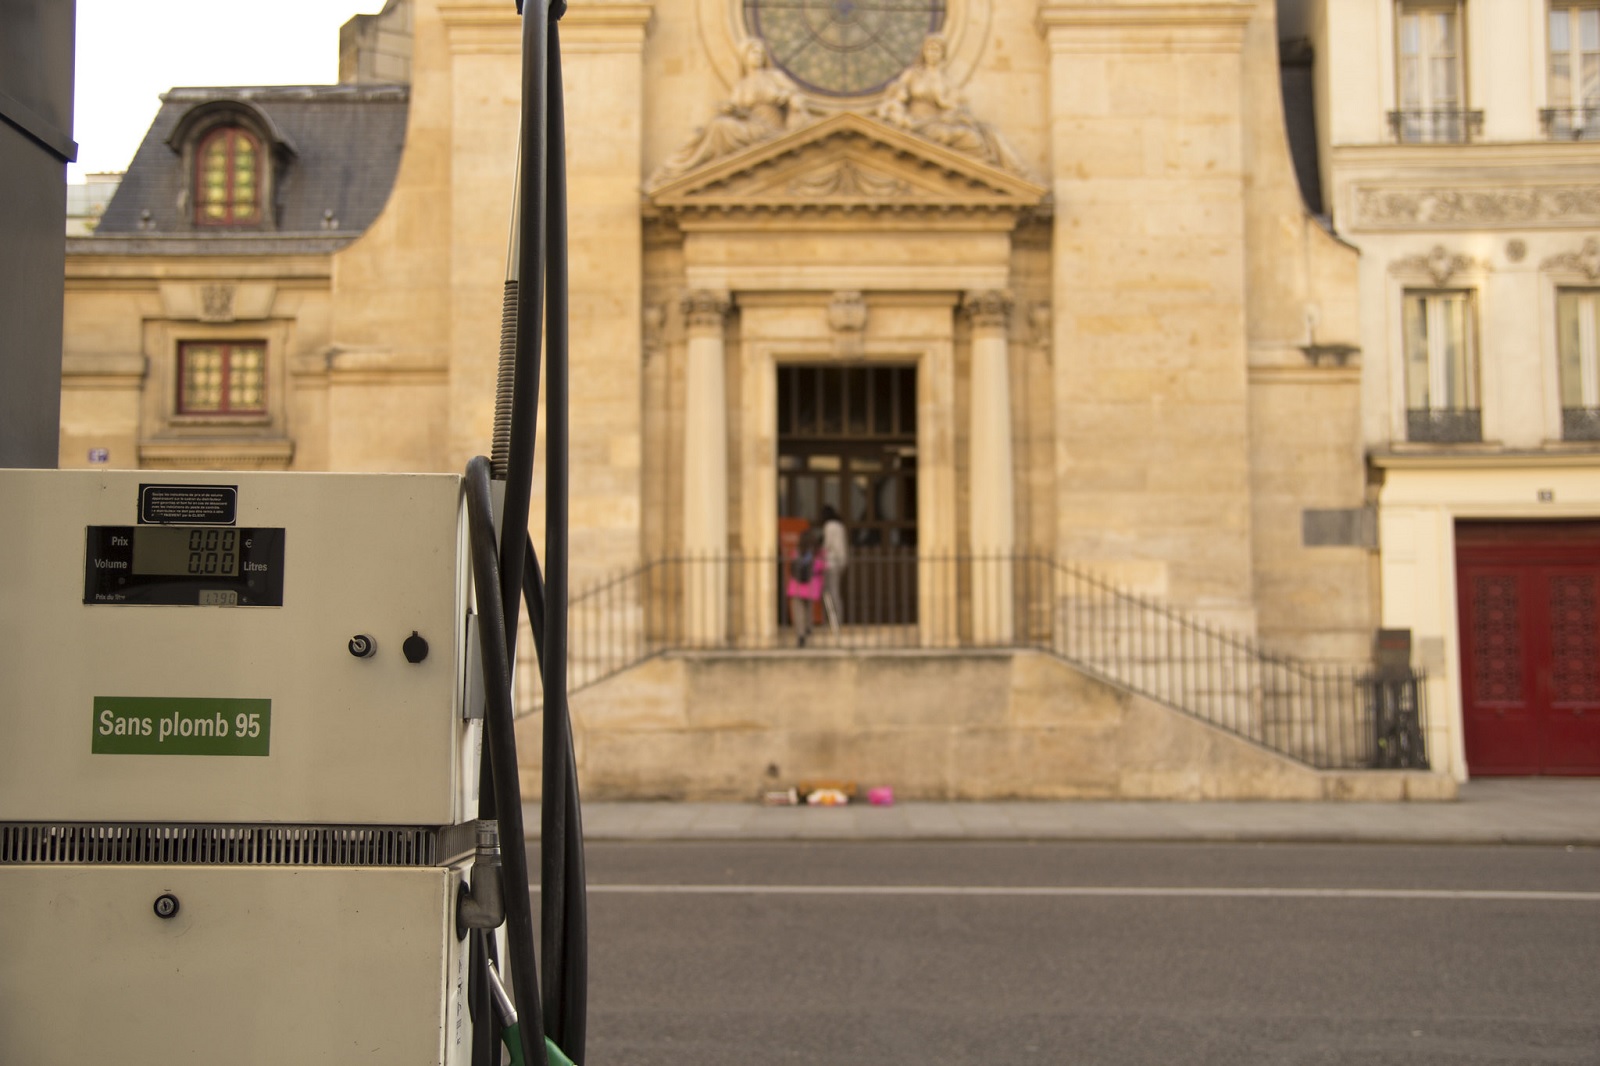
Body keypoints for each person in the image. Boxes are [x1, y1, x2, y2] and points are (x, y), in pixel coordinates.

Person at [651, 39, 812, 184]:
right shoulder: (742, 85)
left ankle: (681, 166)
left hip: (769, 127)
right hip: (751, 126)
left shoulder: (774, 77)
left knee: (720, 127)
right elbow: (736, 108)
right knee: (718, 125)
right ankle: (679, 166)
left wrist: (789, 99)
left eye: (760, 52)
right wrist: (731, 110)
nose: (757, 56)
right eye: (752, 52)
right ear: (744, 57)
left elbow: (794, 95)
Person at [873, 34, 1022, 172]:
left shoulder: (946, 82)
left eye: (937, 50)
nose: (932, 53)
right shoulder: (912, 75)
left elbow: (956, 108)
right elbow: (895, 99)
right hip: (916, 123)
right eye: (929, 49)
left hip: (937, 123)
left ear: (942, 54)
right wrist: (900, 117)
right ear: (924, 52)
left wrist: (952, 116)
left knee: (973, 138)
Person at [786, 527, 826, 647]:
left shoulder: (797, 551)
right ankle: (808, 628)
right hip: (811, 586)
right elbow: (822, 567)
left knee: (798, 610)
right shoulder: (818, 553)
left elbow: (792, 567)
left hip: (796, 586)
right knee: (808, 609)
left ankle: (800, 634)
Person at [819, 505, 847, 630]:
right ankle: (837, 619)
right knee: (835, 591)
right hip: (841, 561)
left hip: (831, 562)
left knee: (830, 592)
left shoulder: (829, 526)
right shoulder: (840, 526)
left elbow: (827, 544)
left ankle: (833, 620)